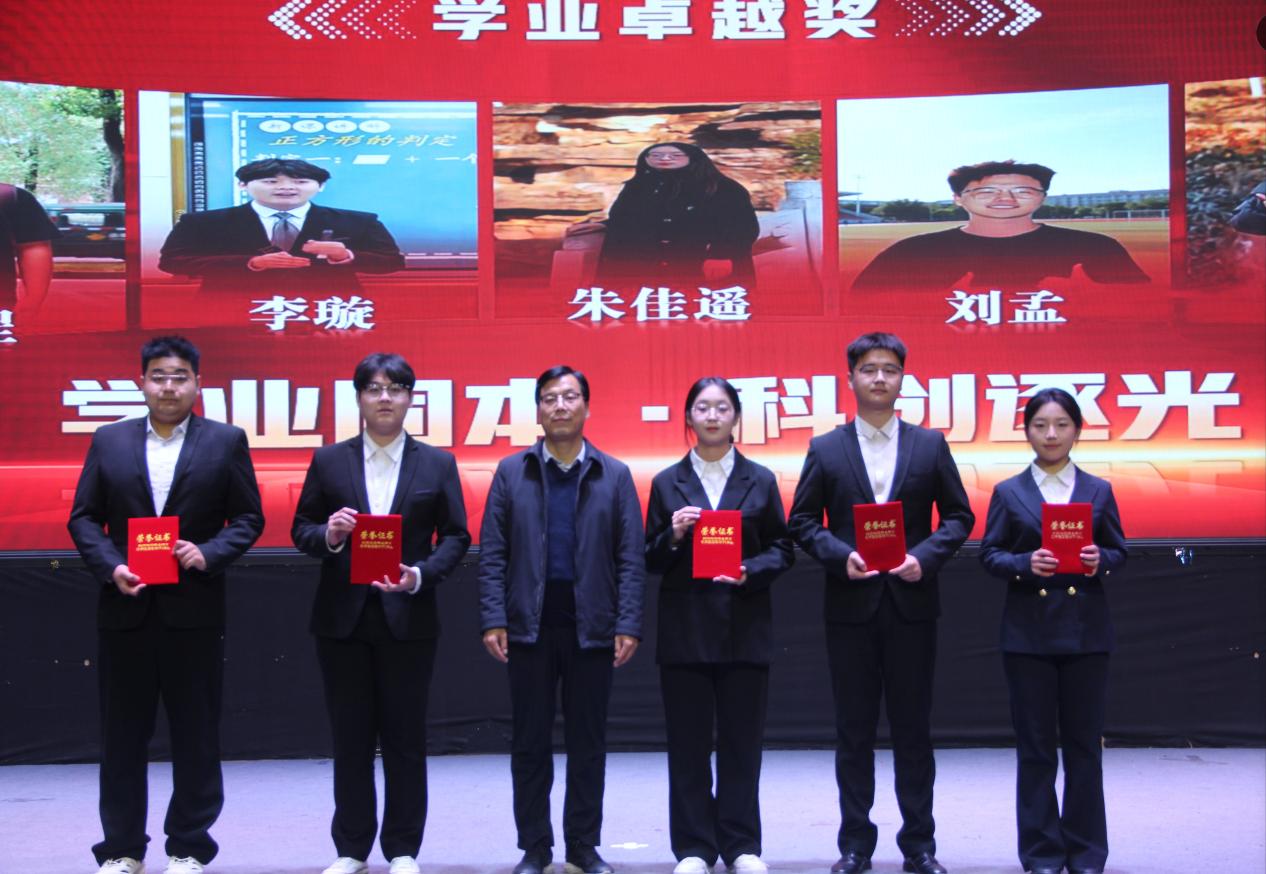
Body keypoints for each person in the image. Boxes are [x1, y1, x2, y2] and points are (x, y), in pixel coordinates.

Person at [67, 336, 265, 874]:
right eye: (159, 376)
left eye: (180, 377)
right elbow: (83, 517)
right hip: (125, 610)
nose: (169, 387)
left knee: (196, 735)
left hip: (193, 611)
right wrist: (111, 566)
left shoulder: (225, 441)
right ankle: (122, 849)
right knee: (121, 739)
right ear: (142, 383)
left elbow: (249, 518)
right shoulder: (109, 440)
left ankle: (189, 847)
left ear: (198, 383)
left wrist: (209, 553)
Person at [788, 332, 974, 874]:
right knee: (854, 732)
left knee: (914, 730)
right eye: (868, 369)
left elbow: (959, 516)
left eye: (889, 369)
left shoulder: (929, 445)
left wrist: (925, 557)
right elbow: (802, 521)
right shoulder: (826, 448)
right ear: (850, 378)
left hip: (911, 604)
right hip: (851, 606)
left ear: (902, 379)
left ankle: (920, 845)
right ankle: (855, 845)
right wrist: (839, 554)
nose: (878, 378)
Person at [291, 353, 471, 874]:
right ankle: (351, 849)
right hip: (343, 620)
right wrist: (330, 534)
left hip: (407, 617)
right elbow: (301, 529)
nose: (385, 397)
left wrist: (420, 575)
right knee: (349, 739)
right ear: (359, 399)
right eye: (373, 388)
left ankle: (403, 849)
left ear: (411, 397)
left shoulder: (436, 464)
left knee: (405, 739)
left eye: (395, 388)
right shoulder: (330, 461)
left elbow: (456, 536)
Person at [478, 365, 646, 874]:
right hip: (527, 627)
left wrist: (628, 623)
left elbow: (630, 557)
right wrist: (493, 617)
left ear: (587, 407)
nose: (560, 406)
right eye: (549, 398)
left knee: (587, 745)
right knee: (529, 743)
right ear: (538, 410)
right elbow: (493, 554)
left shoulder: (614, 474)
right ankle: (534, 847)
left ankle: (582, 846)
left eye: (570, 397)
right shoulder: (512, 471)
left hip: (592, 628)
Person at [644, 377, 795, 874]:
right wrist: (673, 534)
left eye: (722, 408)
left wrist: (752, 570)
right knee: (687, 746)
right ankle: (693, 848)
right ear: (689, 418)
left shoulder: (761, 479)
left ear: (736, 417)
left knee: (741, 744)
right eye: (703, 408)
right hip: (684, 629)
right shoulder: (667, 482)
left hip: (743, 626)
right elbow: (649, 558)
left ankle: (740, 845)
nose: (712, 416)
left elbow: (783, 548)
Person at [978, 388, 1127, 874]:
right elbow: (989, 555)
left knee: (1084, 748)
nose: (1051, 434)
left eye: (1062, 424)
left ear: (1077, 430)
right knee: (1036, 750)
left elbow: (1120, 551)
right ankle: (1041, 852)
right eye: (1041, 425)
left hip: (1086, 633)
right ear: (1026, 431)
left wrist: (1100, 559)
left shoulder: (1099, 490)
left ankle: (1086, 851)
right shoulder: (1008, 492)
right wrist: (1025, 563)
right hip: (1029, 635)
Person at [851, 160, 1149, 290]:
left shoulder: (1094, 248)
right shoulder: (911, 253)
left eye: (1023, 191)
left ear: (1042, 198)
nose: (1005, 199)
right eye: (986, 192)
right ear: (958, 199)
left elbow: (1143, 305)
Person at [158, 158, 405, 293]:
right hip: (232, 309)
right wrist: (250, 263)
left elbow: (392, 262)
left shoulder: (360, 221)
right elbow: (171, 262)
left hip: (328, 310)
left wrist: (346, 256)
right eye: (270, 181)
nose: (286, 187)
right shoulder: (201, 222)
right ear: (243, 185)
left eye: (300, 181)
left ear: (320, 186)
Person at [573, 142, 759, 291]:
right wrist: (607, 225)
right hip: (643, 266)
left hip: (700, 262)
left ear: (693, 159)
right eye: (655, 155)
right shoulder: (636, 186)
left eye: (675, 155)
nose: (664, 158)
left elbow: (742, 226)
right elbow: (632, 216)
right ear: (645, 159)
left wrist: (722, 255)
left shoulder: (723, 188)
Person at [0, 181, 57, 326]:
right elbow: (33, 246)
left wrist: (33, 300)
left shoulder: (10, 197)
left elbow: (33, 246)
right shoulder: (11, 196)